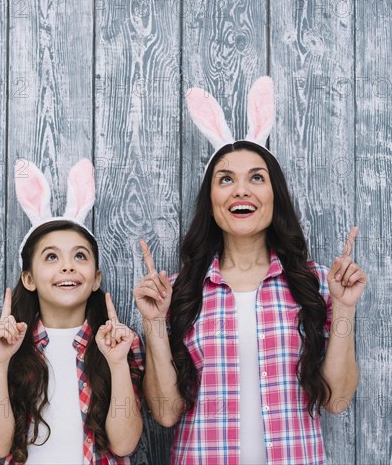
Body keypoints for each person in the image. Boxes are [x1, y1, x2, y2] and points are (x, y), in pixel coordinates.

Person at [134, 77, 367, 464]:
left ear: (274, 195)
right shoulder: (175, 293)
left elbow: (338, 400)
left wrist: (344, 309)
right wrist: (154, 324)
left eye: (256, 178)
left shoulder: (316, 286)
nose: (241, 190)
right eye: (226, 179)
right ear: (211, 201)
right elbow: (164, 412)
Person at [0, 160, 144, 464]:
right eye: (51, 256)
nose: (67, 266)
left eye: (79, 256)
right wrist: (0, 364)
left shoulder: (120, 343)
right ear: (28, 278)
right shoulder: (2, 345)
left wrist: (118, 364)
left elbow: (124, 445)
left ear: (96, 278)